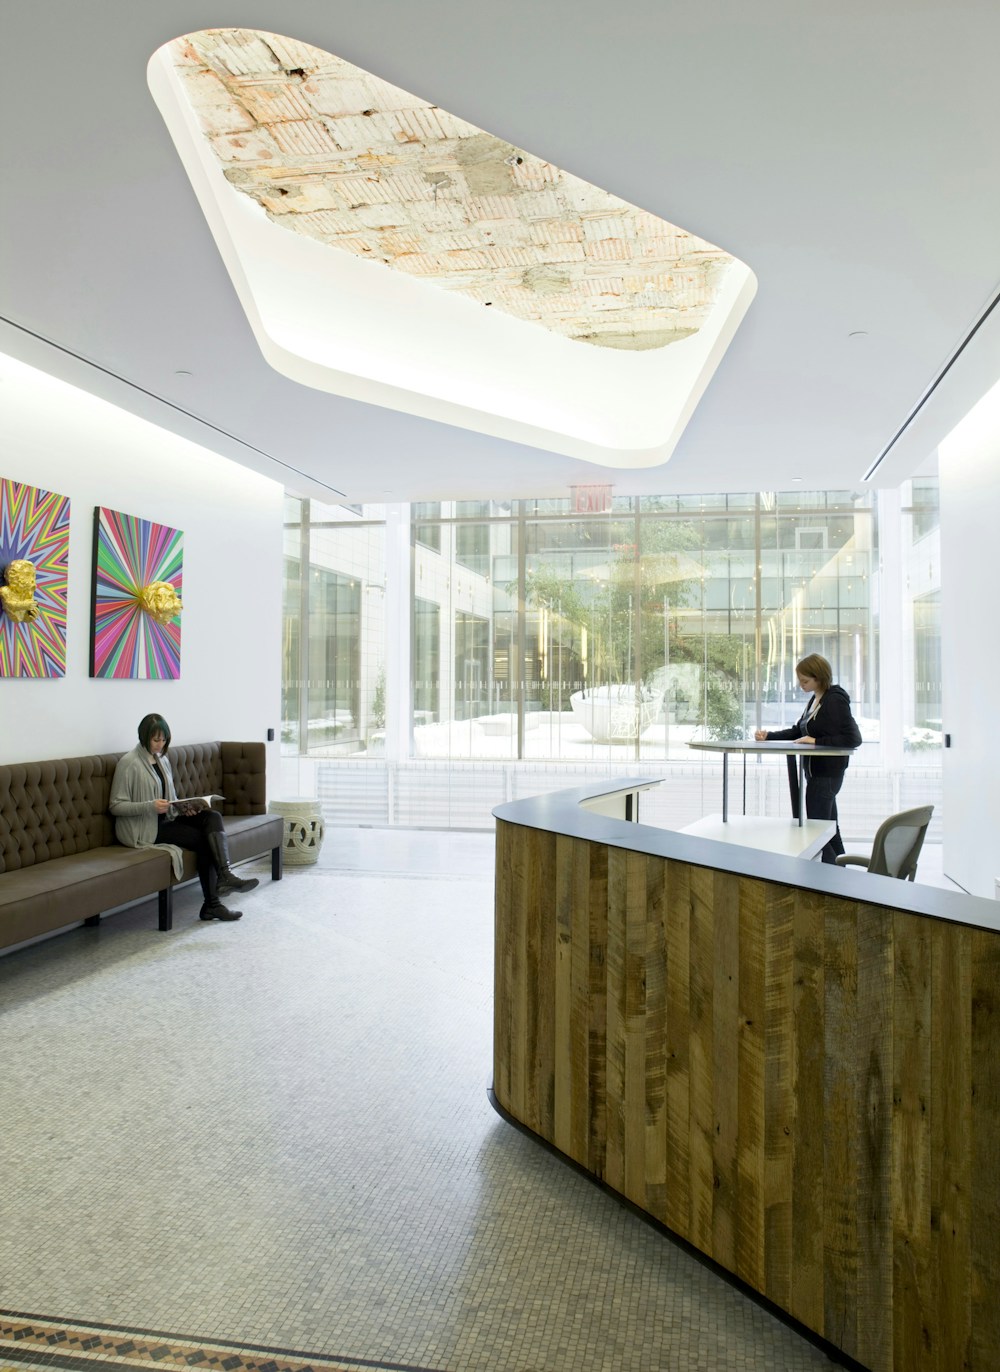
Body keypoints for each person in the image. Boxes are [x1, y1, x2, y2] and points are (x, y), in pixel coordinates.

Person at [110, 713, 258, 921]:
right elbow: (116, 806)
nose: (160, 745)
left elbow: (170, 797)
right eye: (156, 740)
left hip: (168, 818)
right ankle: (212, 905)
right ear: (144, 737)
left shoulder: (162, 759)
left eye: (164, 740)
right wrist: (150, 806)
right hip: (146, 828)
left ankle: (225, 875)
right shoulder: (129, 763)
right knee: (204, 841)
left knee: (212, 816)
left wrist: (183, 808)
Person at [754, 653, 862, 864]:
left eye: (805, 681)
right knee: (829, 827)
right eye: (800, 681)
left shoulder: (834, 700)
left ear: (819, 677)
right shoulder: (816, 699)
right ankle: (841, 871)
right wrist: (769, 736)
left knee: (818, 829)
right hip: (815, 774)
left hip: (827, 775)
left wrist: (816, 740)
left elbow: (853, 739)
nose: (801, 685)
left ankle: (832, 875)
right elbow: (799, 731)